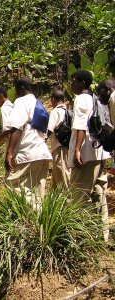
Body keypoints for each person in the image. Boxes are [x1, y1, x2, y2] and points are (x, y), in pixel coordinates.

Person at [68, 69, 110, 241]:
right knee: (99, 191)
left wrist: (77, 150)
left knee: (79, 193)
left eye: (74, 81)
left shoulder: (80, 99)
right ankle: (103, 234)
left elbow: (80, 126)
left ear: (83, 83)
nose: (72, 85)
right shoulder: (97, 99)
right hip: (100, 151)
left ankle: (82, 236)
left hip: (86, 152)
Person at [5, 78, 52, 209]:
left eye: (16, 91)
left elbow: (17, 127)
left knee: (14, 185)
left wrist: (9, 153)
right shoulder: (38, 103)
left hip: (27, 151)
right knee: (37, 192)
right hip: (42, 152)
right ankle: (42, 224)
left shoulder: (21, 101)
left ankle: (36, 215)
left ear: (21, 89)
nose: (15, 94)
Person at [47, 89, 71, 187]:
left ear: (53, 99)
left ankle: (66, 199)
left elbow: (49, 129)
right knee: (62, 172)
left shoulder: (55, 111)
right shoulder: (68, 111)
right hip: (68, 145)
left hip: (59, 147)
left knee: (62, 173)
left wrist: (42, 140)